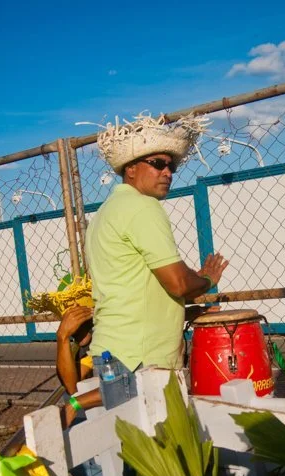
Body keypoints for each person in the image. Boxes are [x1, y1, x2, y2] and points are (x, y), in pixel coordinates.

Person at [87, 113, 228, 407]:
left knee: (123, 447)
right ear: (131, 169)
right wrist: (206, 280)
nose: (168, 172)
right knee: (156, 447)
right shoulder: (142, 207)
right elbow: (177, 283)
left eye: (171, 165)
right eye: (158, 164)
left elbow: (139, 283)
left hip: (116, 352)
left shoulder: (106, 211)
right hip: (141, 361)